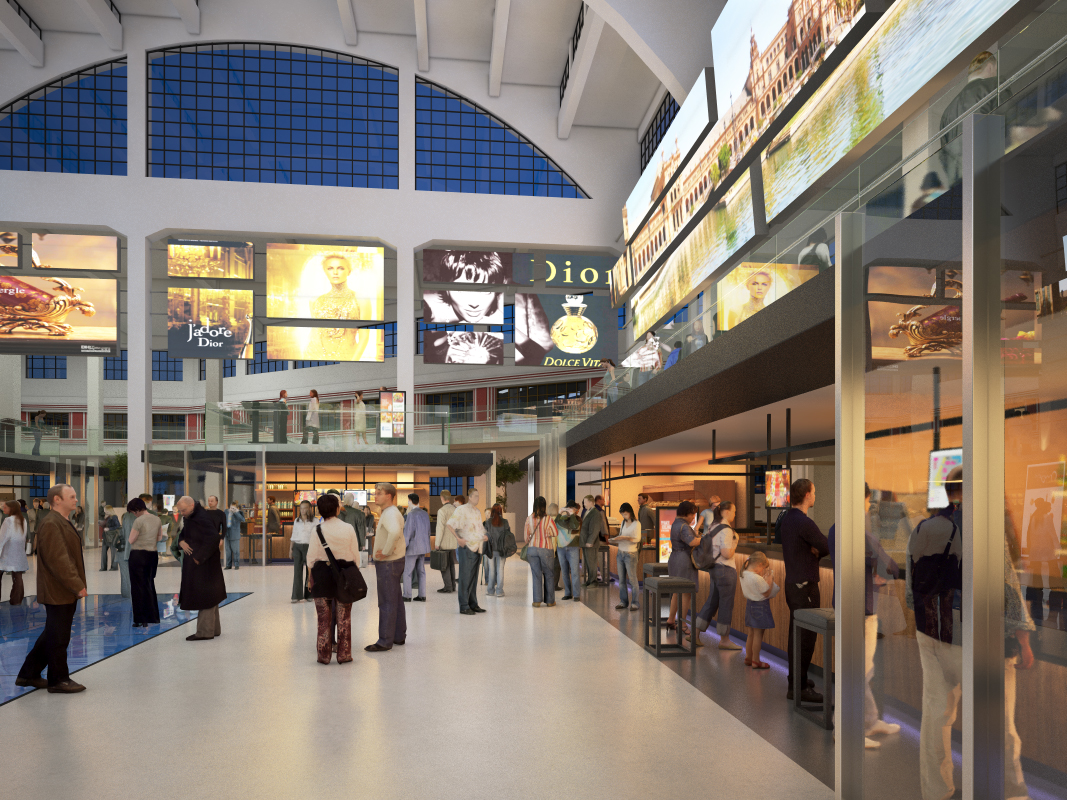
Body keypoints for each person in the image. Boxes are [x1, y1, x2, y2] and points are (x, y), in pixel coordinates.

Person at [827, 483, 901, 749]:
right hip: (862, 608)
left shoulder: (836, 528)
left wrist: (873, 573)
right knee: (858, 671)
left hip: (847, 603)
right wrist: (881, 572)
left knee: (860, 670)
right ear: (863, 500)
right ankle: (846, 729)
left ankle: (869, 720)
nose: (870, 508)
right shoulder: (858, 532)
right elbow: (890, 565)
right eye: (869, 502)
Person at [15, 484, 87, 693]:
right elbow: (59, 561)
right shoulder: (51, 524)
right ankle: (58, 679)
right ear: (57, 500)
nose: (76, 500)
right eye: (71, 496)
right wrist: (77, 585)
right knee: (58, 636)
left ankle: (28, 674)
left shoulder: (61, 521)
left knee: (52, 634)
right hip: (59, 589)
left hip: (63, 590)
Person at [779, 478, 830, 703]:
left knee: (796, 635)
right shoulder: (804, 522)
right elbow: (827, 545)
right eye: (814, 492)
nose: (815, 496)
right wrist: (817, 552)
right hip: (805, 587)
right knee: (806, 637)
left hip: (793, 584)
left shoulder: (787, 518)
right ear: (807, 495)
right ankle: (799, 688)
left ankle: (796, 680)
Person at [307, 493, 360, 664]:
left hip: (321, 576)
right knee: (344, 618)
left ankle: (324, 655)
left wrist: (310, 578)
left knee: (323, 619)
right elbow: (355, 557)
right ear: (337, 509)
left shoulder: (317, 530)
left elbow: (311, 558)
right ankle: (344, 655)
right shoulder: (348, 528)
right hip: (344, 575)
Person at [940, 52, 1002, 186]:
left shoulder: (947, 112)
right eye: (995, 70)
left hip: (958, 181)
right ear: (990, 67)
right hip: (988, 170)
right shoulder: (993, 85)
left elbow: (943, 156)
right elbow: (1010, 117)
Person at [176, 496, 227, 641]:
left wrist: (199, 558)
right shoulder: (192, 516)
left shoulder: (201, 517)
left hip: (204, 564)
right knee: (211, 596)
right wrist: (182, 542)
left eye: (183, 510)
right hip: (201, 562)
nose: (182, 513)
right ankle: (214, 629)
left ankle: (205, 632)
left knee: (205, 596)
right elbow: (184, 533)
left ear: (192, 505)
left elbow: (213, 538)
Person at [695, 501, 742, 650]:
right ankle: (724, 639)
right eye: (734, 511)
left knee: (712, 601)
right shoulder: (727, 530)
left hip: (714, 569)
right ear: (726, 512)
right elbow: (726, 553)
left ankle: (695, 633)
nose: (735, 514)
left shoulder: (713, 526)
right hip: (726, 570)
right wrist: (735, 542)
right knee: (726, 604)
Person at [367, 482, 406, 651]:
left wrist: (386, 551)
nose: (375, 496)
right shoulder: (392, 512)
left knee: (387, 602)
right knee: (396, 600)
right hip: (395, 562)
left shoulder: (390, 513)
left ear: (388, 496)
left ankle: (385, 640)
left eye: (378, 493)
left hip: (388, 564)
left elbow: (395, 531)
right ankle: (398, 635)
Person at [311, 254, 371, 360]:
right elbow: (315, 333)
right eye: (330, 268)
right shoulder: (316, 301)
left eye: (340, 268)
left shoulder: (361, 299)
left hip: (347, 357)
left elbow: (364, 336)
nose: (335, 272)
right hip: (316, 355)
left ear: (349, 271)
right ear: (325, 271)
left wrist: (353, 362)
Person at [447, 488, 487, 616]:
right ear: (470, 497)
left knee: (474, 578)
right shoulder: (461, 510)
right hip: (466, 547)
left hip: (477, 547)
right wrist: (458, 539)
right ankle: (464, 606)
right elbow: (450, 524)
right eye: (475, 496)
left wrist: (484, 536)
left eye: (478, 496)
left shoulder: (477, 512)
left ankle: (473, 604)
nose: (477, 498)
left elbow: (480, 528)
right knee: (465, 577)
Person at [126, 497, 164, 627]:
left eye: (132, 512)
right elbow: (159, 537)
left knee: (137, 587)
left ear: (136, 510)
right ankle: (153, 617)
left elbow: (131, 540)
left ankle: (140, 619)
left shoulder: (138, 521)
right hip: (152, 555)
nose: (133, 514)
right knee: (149, 585)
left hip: (138, 555)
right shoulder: (157, 519)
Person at [666, 500, 701, 634]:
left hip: (674, 558)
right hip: (684, 560)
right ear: (686, 513)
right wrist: (707, 538)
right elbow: (692, 542)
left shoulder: (676, 523)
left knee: (676, 591)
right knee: (686, 593)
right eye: (692, 514)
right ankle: (682, 624)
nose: (693, 517)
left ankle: (671, 620)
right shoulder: (684, 526)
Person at [739, 551, 778, 670]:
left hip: (750, 605)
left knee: (750, 633)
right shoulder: (756, 578)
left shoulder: (744, 574)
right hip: (760, 606)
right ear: (759, 564)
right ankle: (756, 660)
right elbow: (766, 591)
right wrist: (770, 578)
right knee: (758, 635)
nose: (762, 571)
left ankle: (748, 657)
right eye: (763, 568)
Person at [524, 496, 557, 608]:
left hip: (532, 549)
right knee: (549, 574)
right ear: (544, 506)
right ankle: (550, 601)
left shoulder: (529, 519)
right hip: (546, 549)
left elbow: (526, 538)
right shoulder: (548, 519)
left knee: (536, 575)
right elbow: (555, 532)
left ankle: (537, 601)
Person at [610, 502, 641, 611]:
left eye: (625, 514)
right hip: (620, 553)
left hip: (630, 554)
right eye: (622, 514)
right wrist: (616, 539)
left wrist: (626, 538)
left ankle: (635, 603)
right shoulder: (623, 522)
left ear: (630, 513)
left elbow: (637, 539)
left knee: (632, 579)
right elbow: (621, 535)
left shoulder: (637, 524)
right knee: (621, 580)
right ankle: (623, 601)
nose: (624, 516)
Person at [402, 493, 431, 602]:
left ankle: (407, 595)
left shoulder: (411, 514)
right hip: (423, 546)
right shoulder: (425, 513)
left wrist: (404, 546)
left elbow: (408, 532)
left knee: (407, 572)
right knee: (421, 571)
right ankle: (422, 595)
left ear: (410, 501)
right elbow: (428, 531)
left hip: (413, 548)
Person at [0, 499, 28, 605]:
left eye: (5, 507)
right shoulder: (22, 520)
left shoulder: (8, 521)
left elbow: (2, 539)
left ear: (11, 508)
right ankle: (16, 600)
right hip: (19, 552)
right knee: (17, 577)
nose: (3, 508)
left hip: (7, 553)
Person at [484, 503, 512, 598]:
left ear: (492, 511)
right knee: (500, 570)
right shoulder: (505, 522)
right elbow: (508, 535)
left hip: (491, 550)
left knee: (491, 570)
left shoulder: (488, 522)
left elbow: (485, 535)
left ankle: (490, 590)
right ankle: (499, 591)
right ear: (501, 511)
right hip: (502, 550)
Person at [556, 502, 582, 601]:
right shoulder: (561, 519)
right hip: (561, 548)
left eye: (572, 509)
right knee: (564, 572)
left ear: (576, 510)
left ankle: (576, 595)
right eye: (568, 508)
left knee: (575, 572)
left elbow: (574, 526)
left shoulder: (578, 519)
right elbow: (554, 525)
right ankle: (567, 593)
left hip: (573, 548)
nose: (569, 510)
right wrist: (559, 513)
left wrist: (572, 515)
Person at [289, 500, 315, 603]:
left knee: (310, 572)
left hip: (310, 547)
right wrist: (290, 549)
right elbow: (293, 535)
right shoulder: (297, 521)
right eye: (301, 508)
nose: (303, 510)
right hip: (297, 547)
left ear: (309, 509)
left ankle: (309, 595)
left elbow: (317, 536)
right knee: (297, 572)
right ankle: (296, 596)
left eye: (305, 508)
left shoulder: (315, 521)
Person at [579, 494, 607, 586]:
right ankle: (589, 581)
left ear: (591, 502)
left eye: (585, 502)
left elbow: (595, 529)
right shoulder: (587, 511)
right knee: (588, 562)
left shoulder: (595, 513)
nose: (584, 503)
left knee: (592, 563)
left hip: (591, 543)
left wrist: (590, 541)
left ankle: (593, 582)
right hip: (585, 542)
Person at [434, 490, 458, 593]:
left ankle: (448, 587)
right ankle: (452, 585)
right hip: (453, 541)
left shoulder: (441, 511)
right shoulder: (455, 509)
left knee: (444, 565)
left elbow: (440, 528)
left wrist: (437, 543)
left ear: (442, 498)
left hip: (444, 541)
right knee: (451, 563)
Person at [100, 504, 121, 571]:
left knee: (113, 553)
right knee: (103, 552)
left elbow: (117, 526)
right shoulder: (107, 516)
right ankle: (103, 567)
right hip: (106, 537)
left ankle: (114, 567)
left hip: (112, 537)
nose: (104, 510)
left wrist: (109, 528)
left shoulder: (114, 517)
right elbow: (105, 524)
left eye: (105, 509)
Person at [224, 501, 244, 570]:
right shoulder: (226, 512)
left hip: (235, 534)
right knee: (228, 551)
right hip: (227, 533)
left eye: (234, 506)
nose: (232, 507)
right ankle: (228, 565)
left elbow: (242, 519)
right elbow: (222, 521)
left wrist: (236, 512)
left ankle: (236, 564)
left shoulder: (239, 512)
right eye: (231, 506)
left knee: (236, 551)